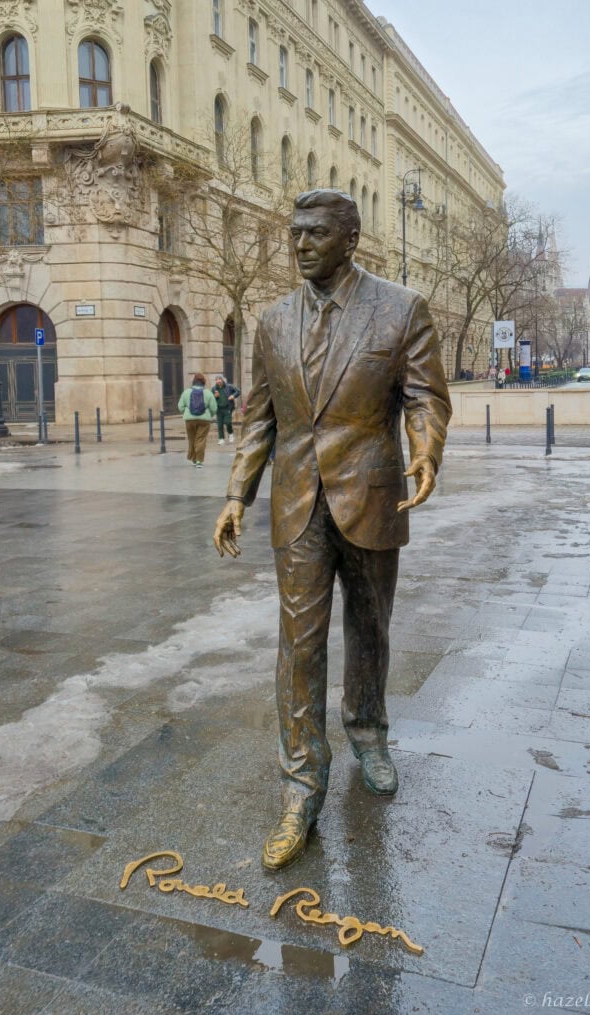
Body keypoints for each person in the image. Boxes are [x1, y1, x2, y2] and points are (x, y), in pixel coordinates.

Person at [213, 189, 451, 870]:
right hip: (296, 501)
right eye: (295, 233)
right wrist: (238, 493)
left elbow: (424, 395)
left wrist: (426, 450)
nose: (301, 244)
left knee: (370, 625)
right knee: (300, 641)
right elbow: (259, 416)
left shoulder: (399, 308)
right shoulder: (272, 321)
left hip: (372, 492)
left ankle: (369, 731)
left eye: (316, 233)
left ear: (350, 239)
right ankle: (301, 785)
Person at [178, 372, 217, 468]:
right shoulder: (208, 393)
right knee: (200, 439)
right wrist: (209, 415)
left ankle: (194, 459)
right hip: (204, 420)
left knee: (192, 439)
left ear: (194, 382)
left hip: (189, 420)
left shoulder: (186, 392)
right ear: (203, 382)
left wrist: (186, 413)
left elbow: (180, 406)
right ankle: (199, 461)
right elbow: (214, 408)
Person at [213, 375, 241, 445]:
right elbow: (211, 398)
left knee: (228, 422)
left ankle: (230, 434)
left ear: (223, 380)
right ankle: (221, 439)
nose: (218, 381)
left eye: (219, 379)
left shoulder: (229, 386)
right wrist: (214, 396)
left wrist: (233, 396)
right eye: (217, 380)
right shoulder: (214, 388)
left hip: (228, 407)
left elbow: (238, 391)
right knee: (220, 425)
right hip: (219, 409)